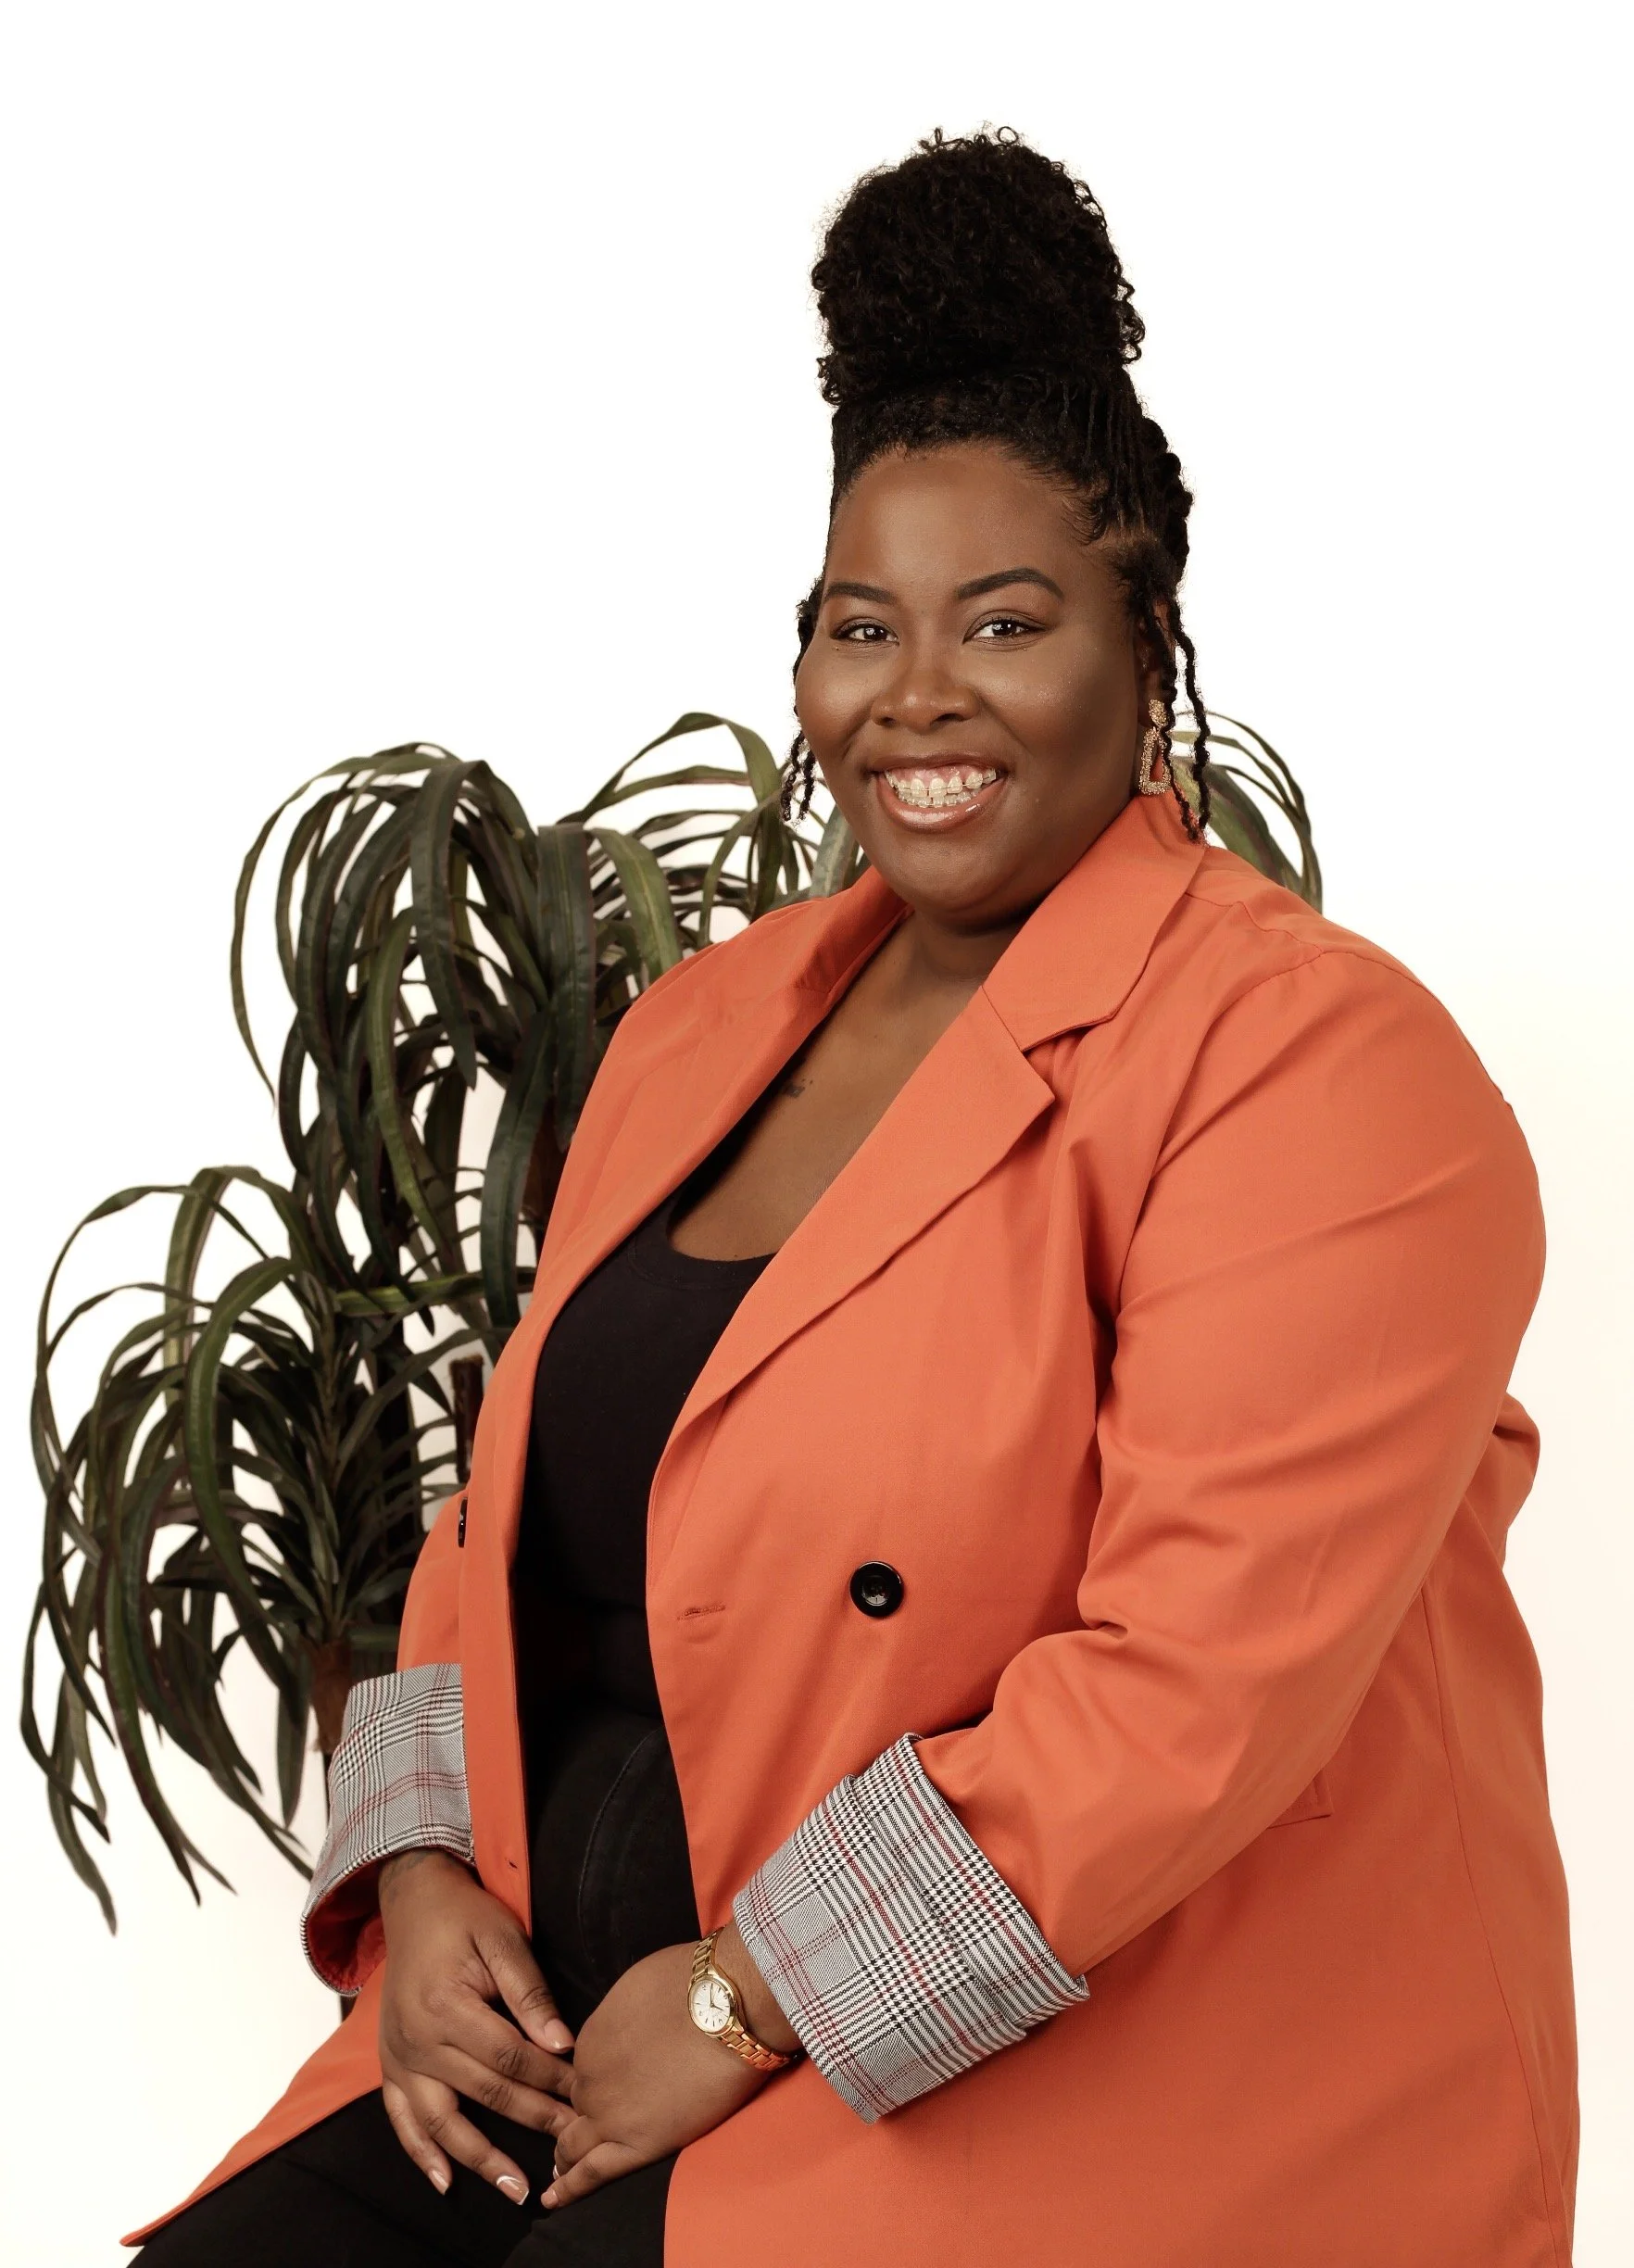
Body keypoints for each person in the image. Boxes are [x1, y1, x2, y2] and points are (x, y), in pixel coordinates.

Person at [129, 128, 1577, 2268]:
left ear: (1147, 648)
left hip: (1071, 2069)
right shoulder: (695, 1034)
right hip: (547, 2019)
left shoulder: (1324, 1067)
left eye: (1008, 620)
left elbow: (1185, 1690)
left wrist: (745, 1997)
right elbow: (485, 1522)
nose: (919, 695)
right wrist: (415, 1891)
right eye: (856, 626)